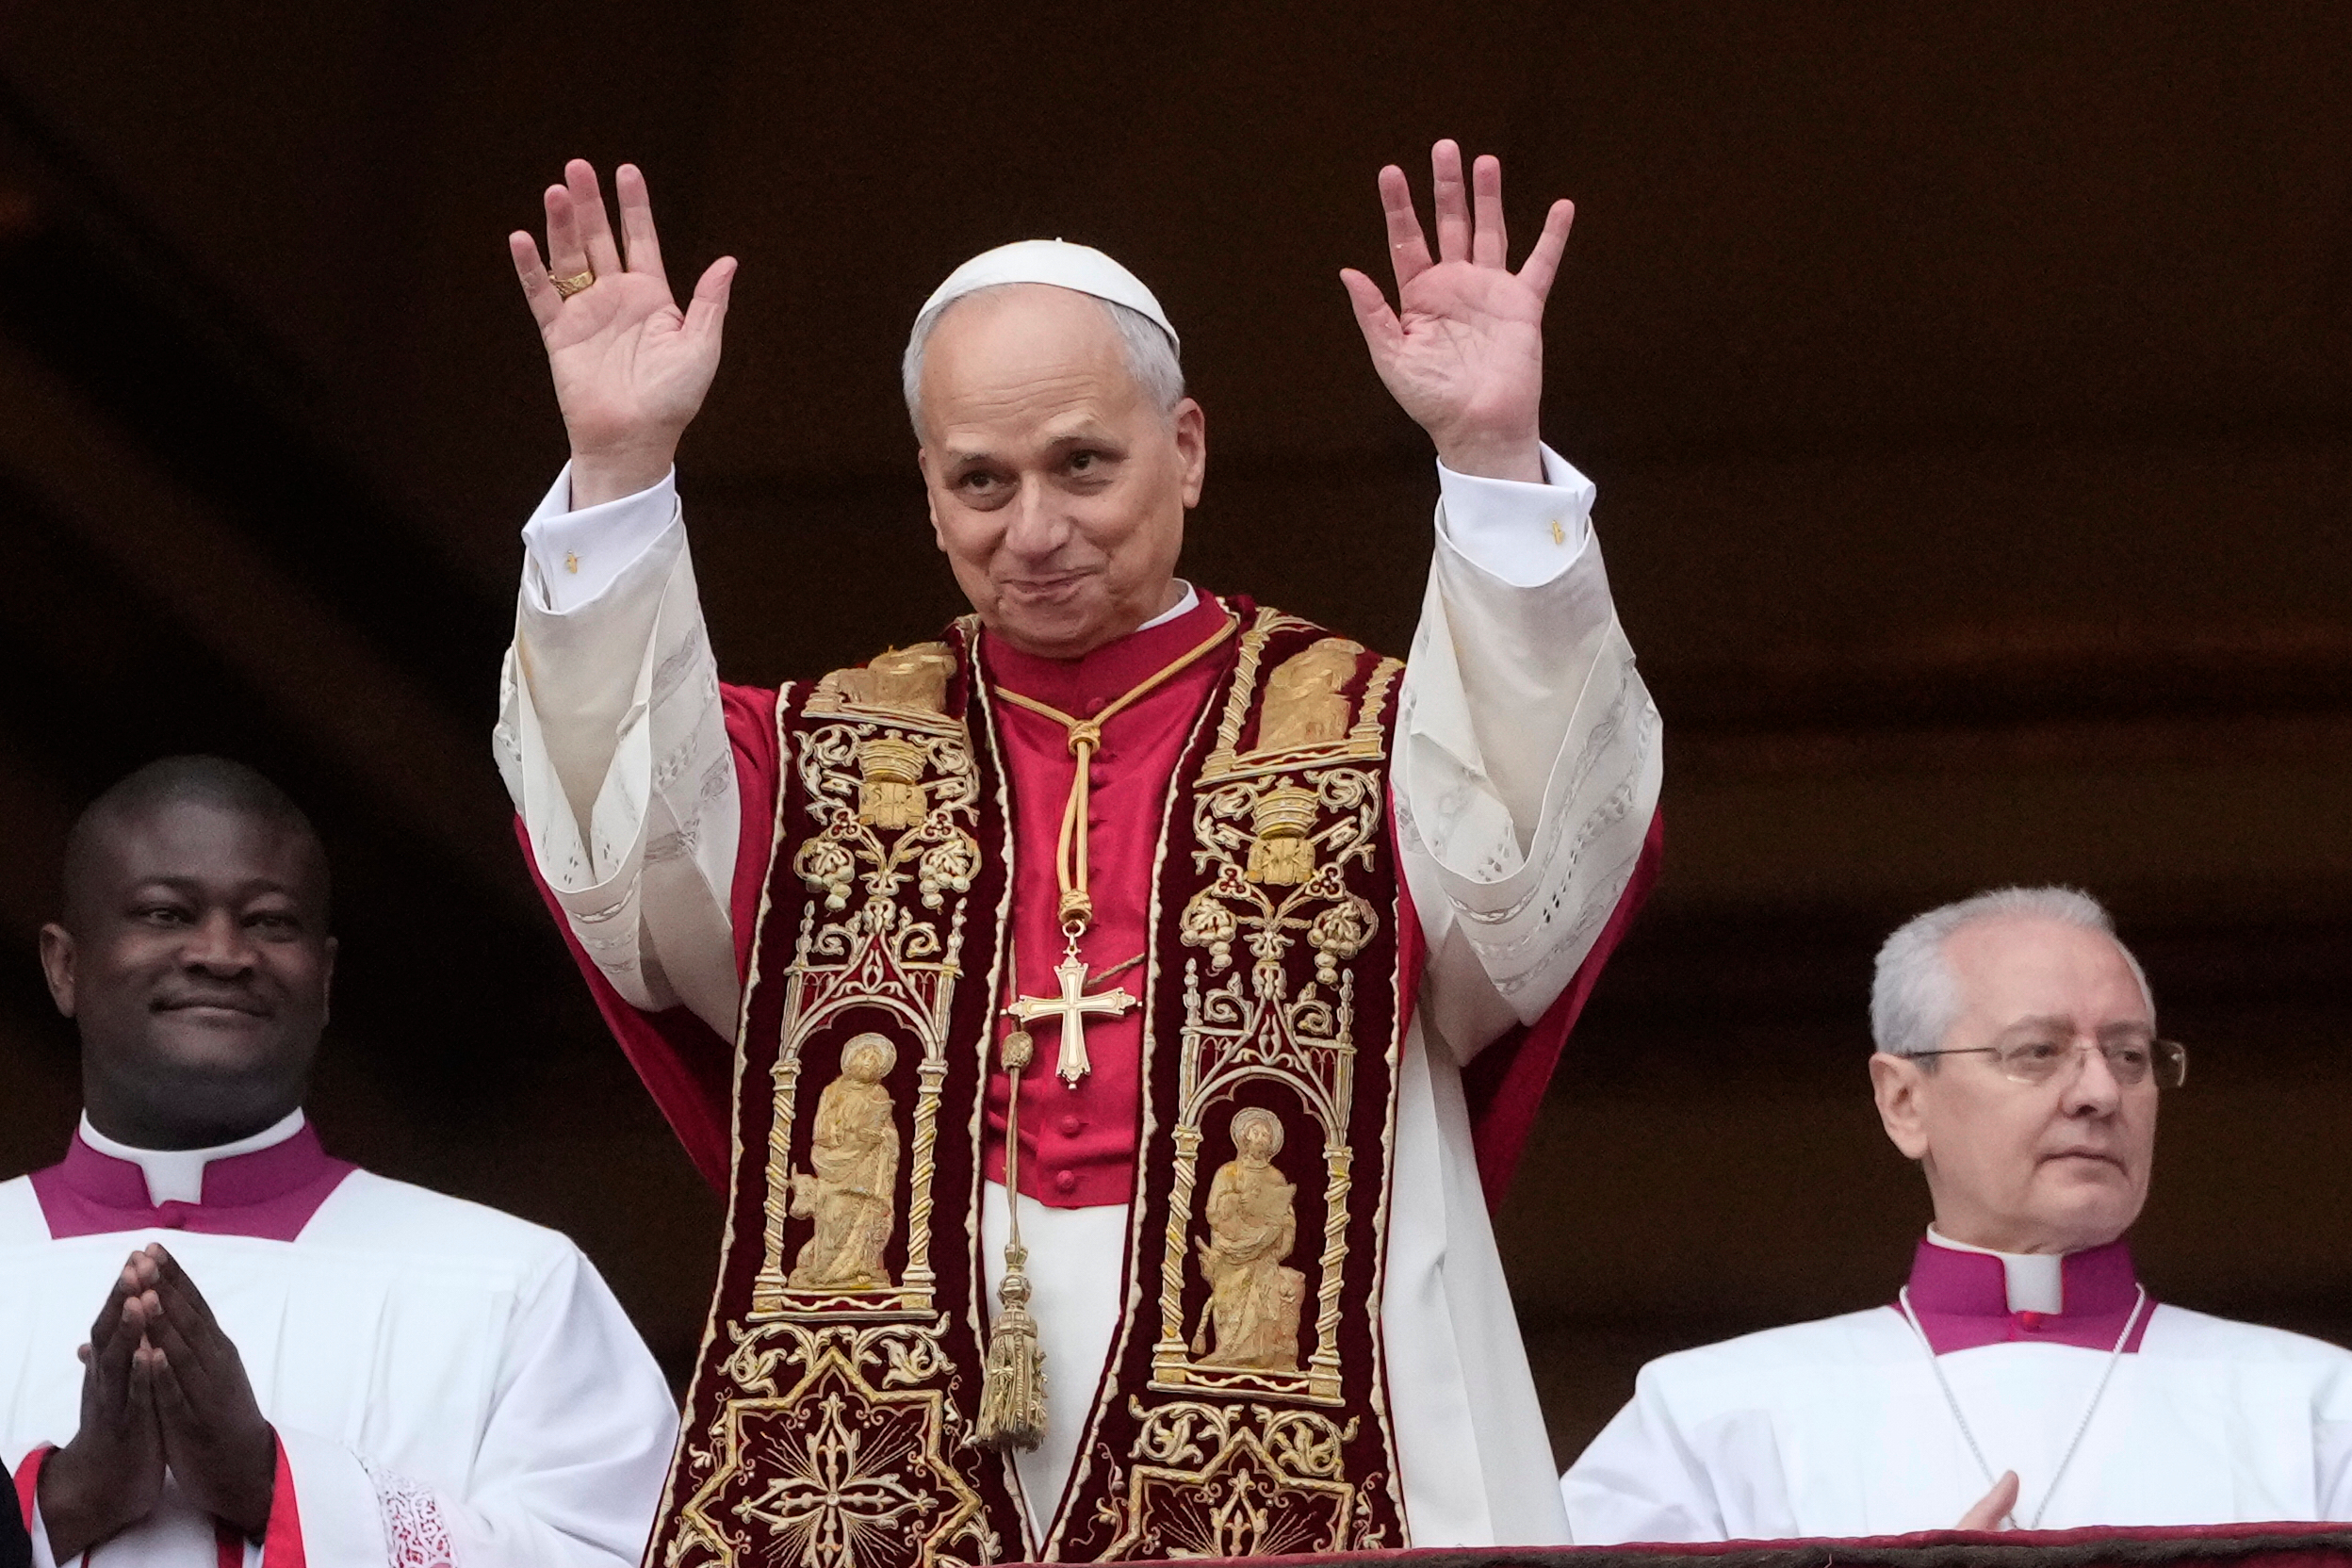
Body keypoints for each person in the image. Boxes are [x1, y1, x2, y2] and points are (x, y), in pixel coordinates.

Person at [497, 140, 1663, 1556]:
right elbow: (624, 859)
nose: (1034, 529)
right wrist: (619, 472)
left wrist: (1489, 462)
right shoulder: (813, 756)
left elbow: (1534, 873)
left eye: (1083, 465)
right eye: (980, 483)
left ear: (1185, 450)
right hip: (900, 1357)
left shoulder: (1373, 734)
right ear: (928, 495)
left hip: (1295, 1348)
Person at [0, 758, 679, 1568]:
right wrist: (61, 1505)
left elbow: (631, 1555)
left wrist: (274, 1482)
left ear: (323, 980)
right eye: (165, 912)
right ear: (64, 966)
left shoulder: (515, 1285)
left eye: (269, 922)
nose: (222, 952)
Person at [1561, 886, 2352, 1541]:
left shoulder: (2320, 1410)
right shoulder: (1711, 1417)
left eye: (2129, 1055)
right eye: (2036, 1052)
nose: (2099, 1093)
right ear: (1903, 1101)